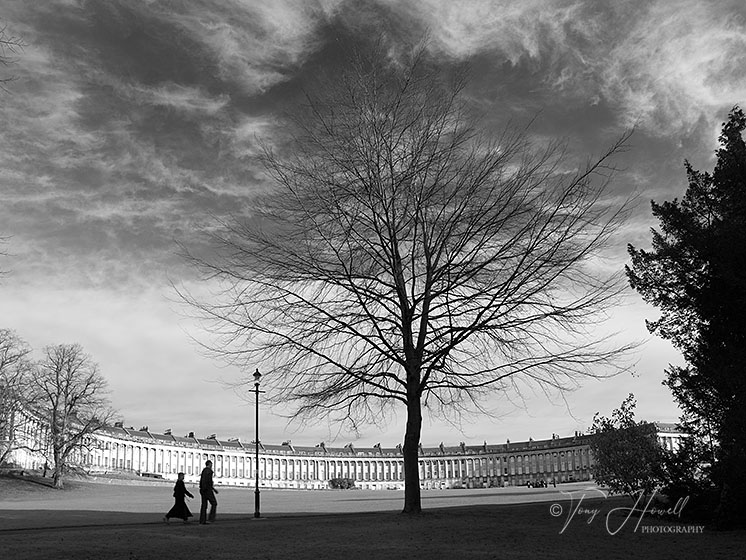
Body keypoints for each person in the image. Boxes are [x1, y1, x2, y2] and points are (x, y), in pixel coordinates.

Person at [199, 459, 218, 524]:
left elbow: (203, 481)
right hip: (207, 490)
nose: (212, 465)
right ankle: (211, 518)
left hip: (203, 490)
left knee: (204, 506)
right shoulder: (209, 471)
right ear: (209, 464)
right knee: (214, 503)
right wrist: (211, 489)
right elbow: (208, 481)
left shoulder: (204, 471)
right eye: (211, 464)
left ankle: (202, 520)